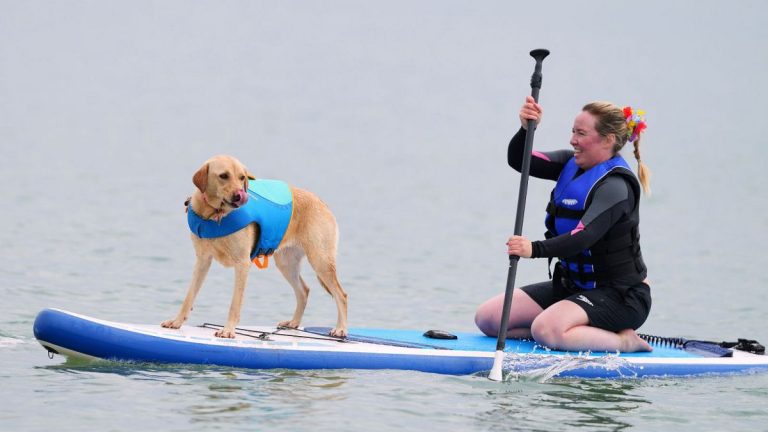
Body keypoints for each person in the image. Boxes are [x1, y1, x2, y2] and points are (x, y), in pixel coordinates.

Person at [474, 96, 653, 352]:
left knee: (545, 329)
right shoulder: (569, 164)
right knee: (489, 319)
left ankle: (624, 341)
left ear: (608, 139)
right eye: (573, 132)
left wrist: (534, 249)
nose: (573, 140)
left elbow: (583, 236)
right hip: (572, 287)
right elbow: (520, 161)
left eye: (581, 133)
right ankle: (567, 330)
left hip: (619, 296)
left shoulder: (616, 186)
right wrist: (526, 129)